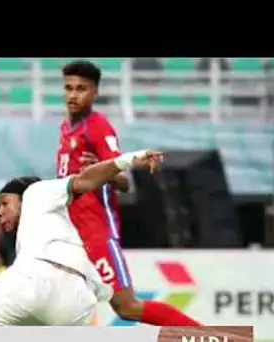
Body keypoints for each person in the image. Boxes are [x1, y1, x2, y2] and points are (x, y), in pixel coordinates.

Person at [0, 149, 165, 326]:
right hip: (77, 304)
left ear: (22, 196)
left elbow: (85, 180)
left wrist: (130, 158)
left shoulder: (37, 191)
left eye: (4, 203)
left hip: (40, 282)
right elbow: (6, 304)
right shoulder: (42, 237)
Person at [56, 60, 201, 326]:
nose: (73, 95)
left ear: (95, 93)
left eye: (81, 89)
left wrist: (101, 171)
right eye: (68, 88)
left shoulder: (98, 127)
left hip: (96, 232)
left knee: (127, 307)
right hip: (70, 233)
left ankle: (206, 335)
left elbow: (123, 181)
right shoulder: (66, 127)